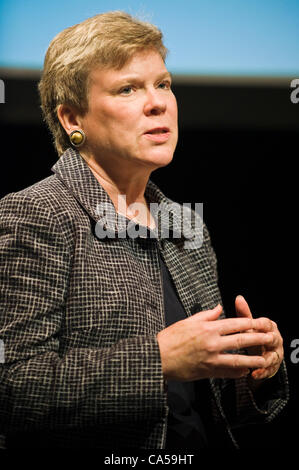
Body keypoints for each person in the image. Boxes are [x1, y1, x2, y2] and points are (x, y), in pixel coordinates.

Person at [0, 11, 288, 449]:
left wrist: (247, 370)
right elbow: (13, 387)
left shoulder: (185, 223)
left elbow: (198, 401)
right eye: (128, 88)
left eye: (164, 84)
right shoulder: (37, 214)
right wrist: (160, 359)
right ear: (73, 119)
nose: (157, 102)